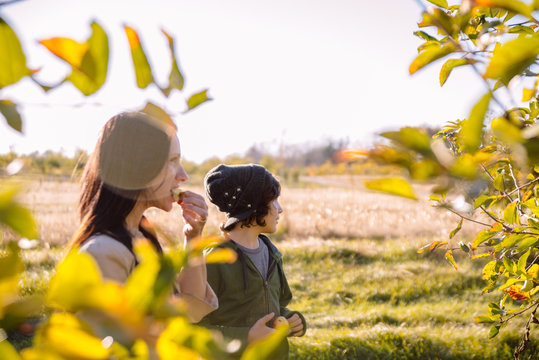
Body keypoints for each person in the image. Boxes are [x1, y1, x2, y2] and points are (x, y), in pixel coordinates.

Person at [67, 111, 217, 322]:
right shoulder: (104, 252)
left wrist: (193, 237)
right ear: (136, 166)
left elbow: (188, 311)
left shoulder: (141, 239)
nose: (183, 175)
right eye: (172, 161)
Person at [199, 163, 306, 359]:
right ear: (253, 206)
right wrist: (246, 337)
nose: (280, 209)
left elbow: (271, 305)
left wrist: (290, 318)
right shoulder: (214, 260)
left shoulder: (271, 252)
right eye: (273, 201)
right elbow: (192, 329)